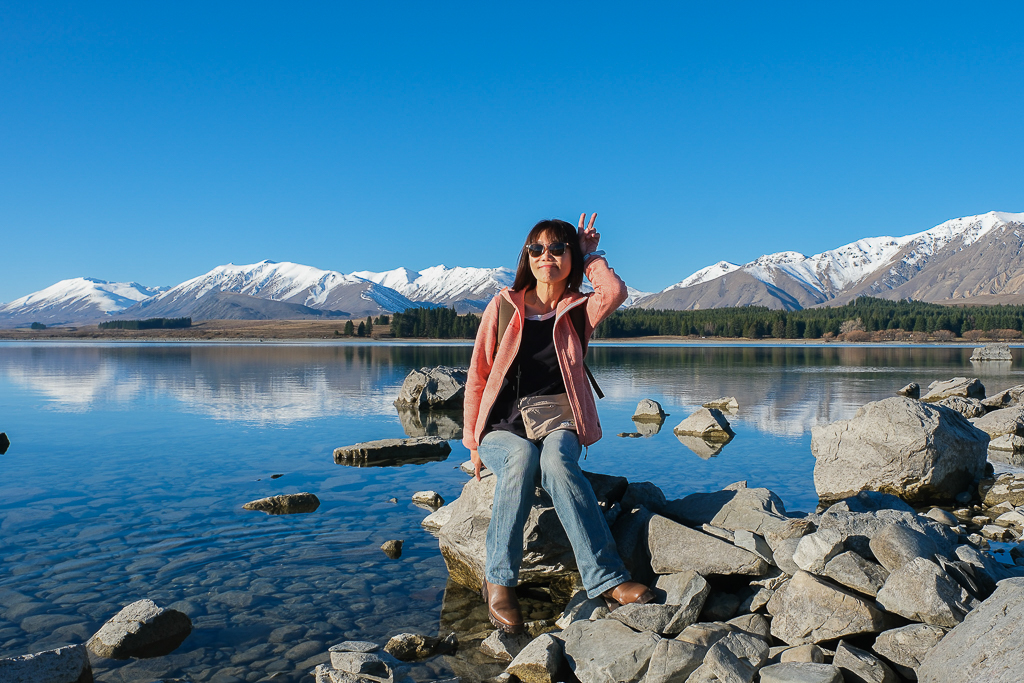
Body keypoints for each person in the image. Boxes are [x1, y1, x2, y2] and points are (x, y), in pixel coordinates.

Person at [463, 213, 654, 634]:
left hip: (559, 418)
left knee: (557, 464)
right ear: (526, 257)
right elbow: (478, 375)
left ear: (570, 256)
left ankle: (606, 580)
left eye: (557, 248)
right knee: (519, 462)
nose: (545, 256)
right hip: (501, 424)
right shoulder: (502, 306)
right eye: (537, 248)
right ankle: (498, 581)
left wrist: (591, 255)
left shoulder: (579, 309)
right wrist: (473, 443)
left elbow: (615, 291)